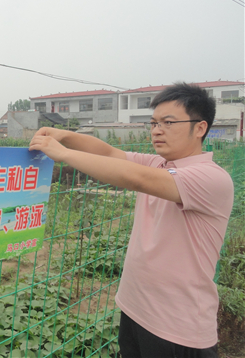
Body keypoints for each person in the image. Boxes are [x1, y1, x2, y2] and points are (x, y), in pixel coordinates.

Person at [29, 83, 234, 357]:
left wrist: (63, 153)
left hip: (178, 328)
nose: (157, 130)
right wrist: (64, 135)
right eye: (154, 123)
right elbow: (109, 153)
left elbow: (136, 178)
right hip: (136, 311)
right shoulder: (159, 164)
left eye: (168, 122)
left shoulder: (211, 177)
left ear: (199, 128)